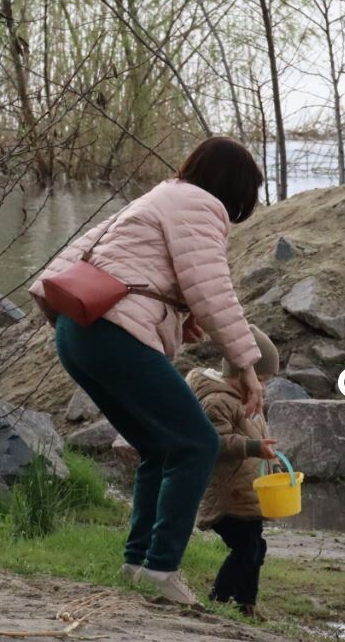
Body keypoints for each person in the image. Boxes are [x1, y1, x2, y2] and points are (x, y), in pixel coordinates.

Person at [28, 137, 265, 606]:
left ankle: (138, 564)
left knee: (159, 448)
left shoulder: (160, 196)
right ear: (232, 188)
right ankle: (162, 569)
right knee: (197, 443)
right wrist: (246, 366)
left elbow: (95, 258)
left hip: (78, 331)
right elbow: (215, 290)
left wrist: (178, 312)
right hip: (112, 334)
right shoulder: (200, 205)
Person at [185, 326, 280, 619]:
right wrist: (253, 447)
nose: (261, 387)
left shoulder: (248, 399)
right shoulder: (217, 401)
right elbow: (216, 441)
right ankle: (219, 599)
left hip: (248, 492)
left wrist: (272, 464)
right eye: (260, 379)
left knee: (256, 547)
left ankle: (246, 603)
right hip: (227, 493)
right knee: (245, 549)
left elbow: (258, 435)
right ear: (243, 375)